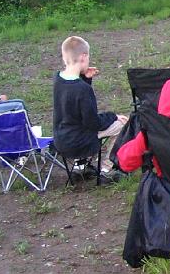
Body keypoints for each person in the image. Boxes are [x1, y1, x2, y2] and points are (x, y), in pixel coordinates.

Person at [52, 36, 127, 180]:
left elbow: (73, 102)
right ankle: (107, 169)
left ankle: (80, 166)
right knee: (122, 124)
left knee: (79, 124)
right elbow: (93, 123)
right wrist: (113, 116)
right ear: (83, 56)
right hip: (78, 142)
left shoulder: (58, 79)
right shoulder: (83, 89)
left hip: (61, 140)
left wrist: (85, 78)